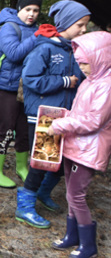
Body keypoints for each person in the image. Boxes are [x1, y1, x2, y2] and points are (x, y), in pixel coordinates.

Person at [16, 0, 89, 229]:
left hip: (67, 115)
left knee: (61, 161)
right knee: (42, 162)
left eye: (86, 25)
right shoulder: (46, 48)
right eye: (80, 25)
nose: (84, 30)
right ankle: (24, 205)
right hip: (44, 115)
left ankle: (43, 192)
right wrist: (64, 82)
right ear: (66, 24)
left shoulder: (76, 51)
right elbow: (31, 80)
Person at [47, 31, 110, 258]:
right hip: (76, 145)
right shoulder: (91, 81)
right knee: (70, 194)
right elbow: (79, 112)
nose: (83, 68)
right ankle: (72, 236)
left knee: (76, 195)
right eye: (80, 63)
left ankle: (88, 245)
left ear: (100, 59)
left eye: (87, 63)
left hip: (89, 150)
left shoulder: (106, 85)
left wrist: (63, 125)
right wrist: (64, 116)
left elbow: (94, 120)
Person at [0, 0, 42, 189]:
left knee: (24, 130)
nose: (31, 14)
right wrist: (38, 37)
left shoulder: (36, 29)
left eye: (36, 10)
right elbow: (14, 53)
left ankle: (22, 167)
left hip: (27, 89)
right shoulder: (8, 28)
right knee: (6, 129)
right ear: (20, 8)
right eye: (28, 9)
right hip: (5, 87)